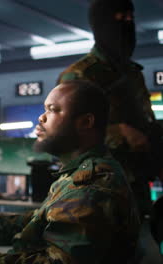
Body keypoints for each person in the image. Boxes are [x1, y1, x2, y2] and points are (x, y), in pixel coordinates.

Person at [0, 80, 140, 264]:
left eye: (53, 110)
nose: (41, 118)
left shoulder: (92, 186)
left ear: (85, 122)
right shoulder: (78, 173)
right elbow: (37, 219)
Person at [57, 0, 162, 218]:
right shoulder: (79, 76)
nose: (127, 24)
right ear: (101, 23)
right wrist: (119, 133)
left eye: (130, 18)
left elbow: (145, 124)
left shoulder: (133, 74)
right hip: (96, 196)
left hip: (137, 189)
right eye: (119, 18)